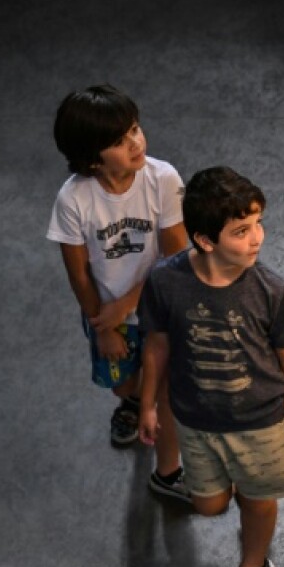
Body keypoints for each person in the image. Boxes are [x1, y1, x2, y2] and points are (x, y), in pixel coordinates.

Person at [137, 166, 284, 567]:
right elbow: (156, 344)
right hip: (196, 422)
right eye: (241, 230)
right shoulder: (165, 283)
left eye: (258, 223)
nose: (257, 237)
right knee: (211, 505)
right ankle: (243, 489)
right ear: (204, 240)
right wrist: (148, 404)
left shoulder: (271, 291)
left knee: (257, 501)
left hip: (261, 422)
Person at [46, 84, 190, 502]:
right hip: (107, 319)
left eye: (135, 129)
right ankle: (132, 403)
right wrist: (103, 326)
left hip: (157, 310)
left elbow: (176, 257)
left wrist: (127, 304)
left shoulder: (162, 178)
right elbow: (79, 275)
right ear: (92, 156)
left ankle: (167, 473)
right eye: (119, 140)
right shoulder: (73, 198)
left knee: (165, 393)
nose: (135, 142)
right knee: (124, 384)